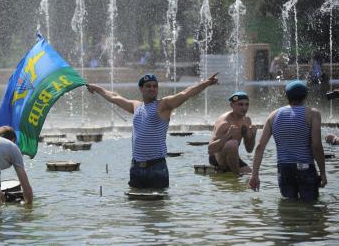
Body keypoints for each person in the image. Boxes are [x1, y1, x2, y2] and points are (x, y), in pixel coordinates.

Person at [87, 72, 218, 189]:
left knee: (158, 211)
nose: (152, 89)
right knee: (137, 207)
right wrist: (97, 88)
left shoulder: (163, 105)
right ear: (141, 89)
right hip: (136, 167)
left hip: (156, 167)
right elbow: (114, 97)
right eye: (148, 86)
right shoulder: (136, 106)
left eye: (155, 86)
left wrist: (206, 83)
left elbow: (185, 94)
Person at [249, 80, 327, 201]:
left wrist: (254, 175)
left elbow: (259, 146)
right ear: (306, 96)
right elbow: (316, 145)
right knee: (310, 207)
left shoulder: (273, 115)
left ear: (286, 96)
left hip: (284, 169)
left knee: (288, 206)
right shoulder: (313, 114)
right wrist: (323, 172)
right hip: (305, 167)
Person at [207, 92, 257, 175]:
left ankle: (235, 174)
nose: (244, 108)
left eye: (246, 104)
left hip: (233, 156)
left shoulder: (247, 121)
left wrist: (252, 136)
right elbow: (210, 150)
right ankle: (236, 177)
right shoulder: (224, 123)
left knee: (251, 175)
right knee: (232, 144)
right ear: (232, 105)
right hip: (216, 157)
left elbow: (249, 150)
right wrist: (227, 136)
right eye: (240, 104)